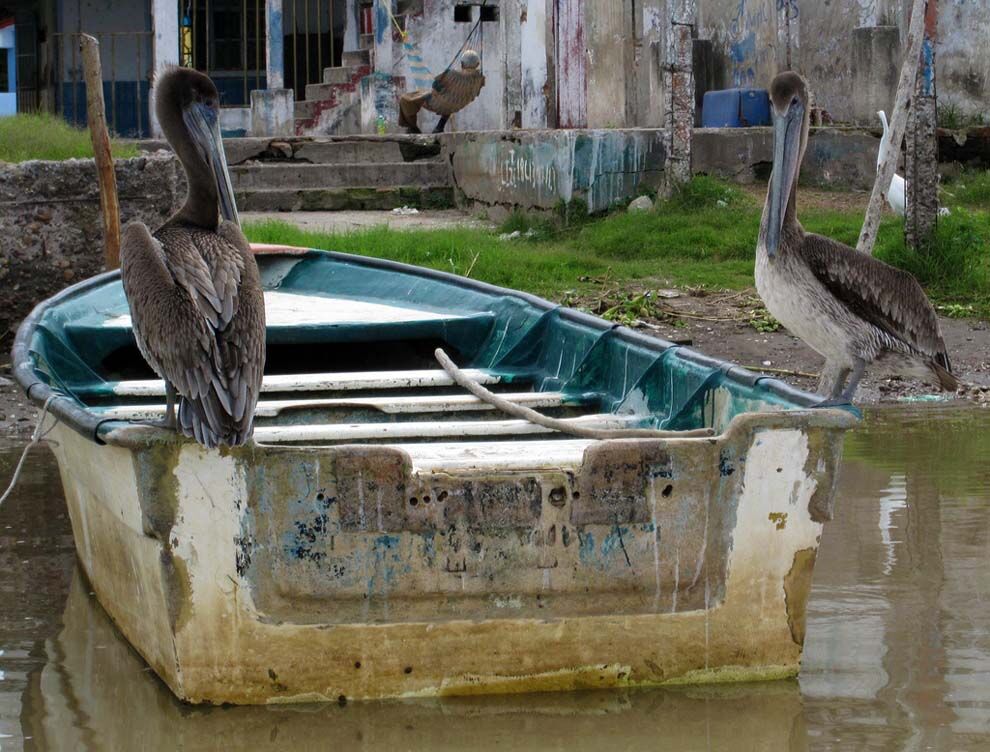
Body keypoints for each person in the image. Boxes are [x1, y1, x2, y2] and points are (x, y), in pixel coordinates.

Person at [398, 50, 485, 134]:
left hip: (436, 102)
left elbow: (435, 86)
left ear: (462, 64)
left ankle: (413, 127)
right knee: (451, 99)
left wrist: (438, 85)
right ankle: (440, 126)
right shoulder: (479, 79)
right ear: (477, 64)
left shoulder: (452, 75)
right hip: (456, 104)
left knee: (404, 100)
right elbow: (475, 94)